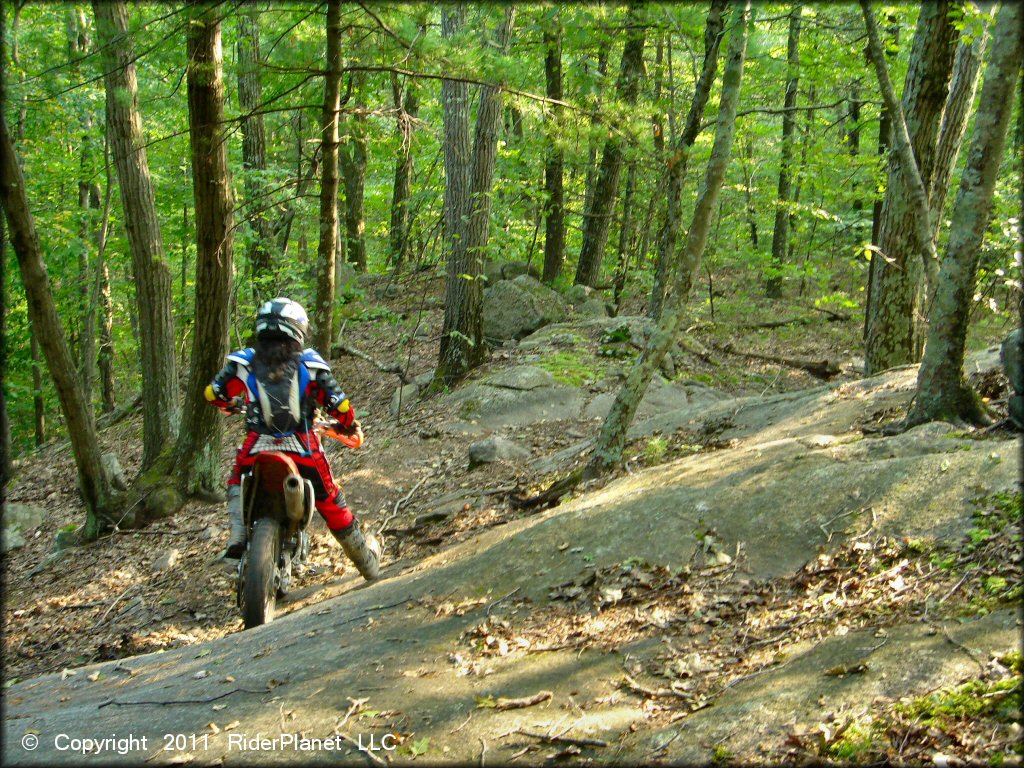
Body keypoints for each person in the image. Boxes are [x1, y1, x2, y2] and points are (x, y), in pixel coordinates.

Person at [204, 297, 381, 580]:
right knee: (331, 501)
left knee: (236, 479)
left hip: (256, 446)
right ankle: (368, 564)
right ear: (298, 329)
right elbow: (341, 405)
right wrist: (348, 424)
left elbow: (214, 394)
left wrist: (230, 405)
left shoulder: (244, 362)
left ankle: (237, 537)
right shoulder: (309, 364)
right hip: (302, 447)